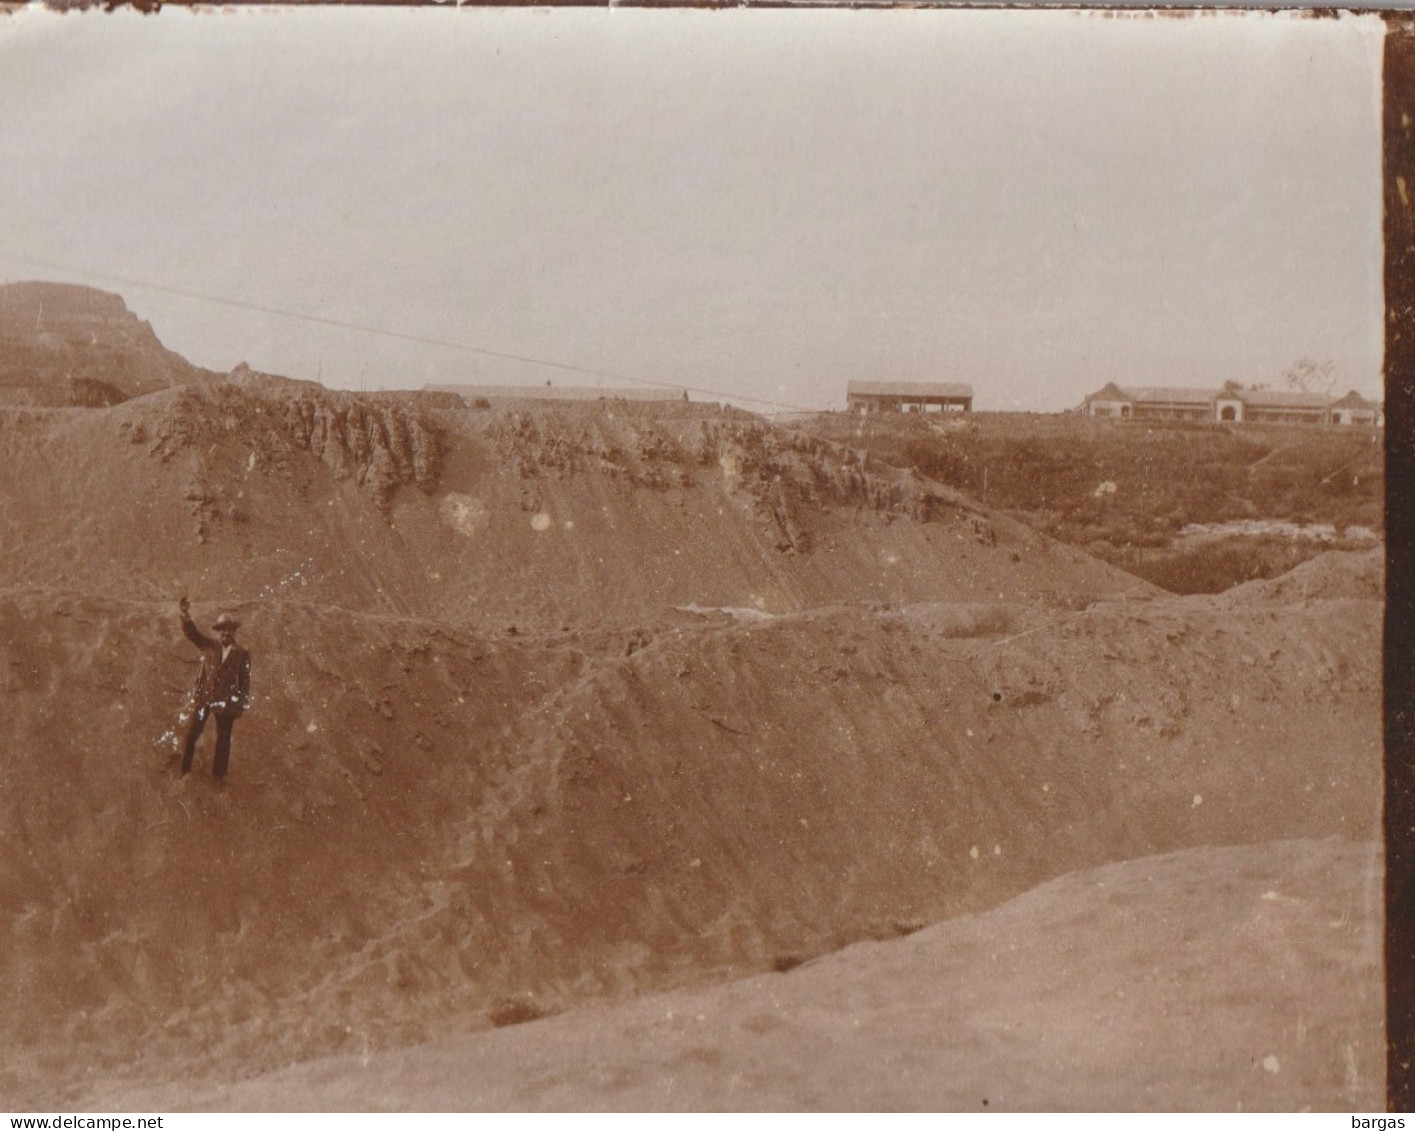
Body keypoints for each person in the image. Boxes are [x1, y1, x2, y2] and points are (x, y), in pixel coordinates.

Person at [178, 596, 252, 781]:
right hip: (204, 697)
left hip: (226, 702)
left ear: (234, 632)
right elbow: (192, 634)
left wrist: (241, 704)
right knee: (192, 733)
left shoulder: (242, 654)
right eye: (222, 631)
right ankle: (184, 770)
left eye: (229, 631)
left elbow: (244, 681)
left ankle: (219, 776)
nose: (225, 634)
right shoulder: (209, 646)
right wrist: (185, 615)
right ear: (218, 632)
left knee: (224, 740)